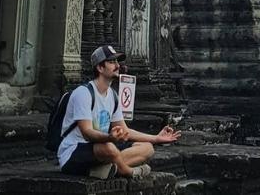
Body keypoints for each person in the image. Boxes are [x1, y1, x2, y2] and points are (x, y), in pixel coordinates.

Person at [58, 45, 181, 178]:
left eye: (117, 61)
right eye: (111, 62)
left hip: (102, 152)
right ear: (100, 68)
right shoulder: (83, 93)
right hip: (73, 153)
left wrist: (157, 138)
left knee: (147, 148)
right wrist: (109, 137)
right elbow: (87, 133)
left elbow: (125, 131)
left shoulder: (112, 96)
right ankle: (128, 172)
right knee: (108, 148)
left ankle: (104, 169)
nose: (117, 66)